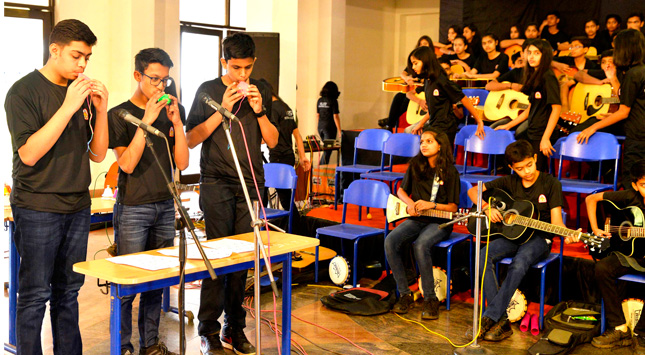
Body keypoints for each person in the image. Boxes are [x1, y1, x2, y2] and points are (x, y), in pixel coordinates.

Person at [5, 19, 109, 354]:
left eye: (87, 58)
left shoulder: (79, 91)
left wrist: (101, 110)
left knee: (69, 292)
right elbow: (30, 154)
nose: (83, 64)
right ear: (55, 50)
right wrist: (68, 107)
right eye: (77, 55)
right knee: (35, 294)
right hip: (37, 207)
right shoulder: (23, 92)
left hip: (77, 205)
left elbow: (97, 154)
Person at [185, 32, 279, 355]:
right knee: (216, 258)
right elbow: (191, 138)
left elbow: (274, 140)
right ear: (224, 61)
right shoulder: (207, 91)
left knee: (242, 260)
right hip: (216, 183)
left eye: (247, 68)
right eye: (236, 67)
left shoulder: (261, 88)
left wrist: (261, 110)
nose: (242, 75)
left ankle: (234, 327)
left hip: (250, 183)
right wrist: (221, 111)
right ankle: (208, 329)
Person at [108, 48, 188, 355]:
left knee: (158, 282)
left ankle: (150, 344)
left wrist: (177, 123)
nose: (161, 87)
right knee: (128, 283)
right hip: (133, 208)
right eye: (155, 79)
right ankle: (123, 346)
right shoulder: (120, 114)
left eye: (166, 80)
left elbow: (181, 161)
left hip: (165, 206)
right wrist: (147, 120)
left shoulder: (168, 115)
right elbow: (126, 165)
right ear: (138, 76)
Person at [467, 140, 574, 342]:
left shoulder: (551, 184)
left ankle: (490, 317)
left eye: (529, 165)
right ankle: (502, 320)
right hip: (511, 236)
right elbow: (473, 191)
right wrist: (486, 207)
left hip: (539, 239)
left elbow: (557, 222)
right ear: (511, 168)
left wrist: (568, 234)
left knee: (518, 264)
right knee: (482, 255)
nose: (527, 172)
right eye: (520, 169)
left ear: (535, 159)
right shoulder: (508, 182)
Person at [385, 128, 460, 320]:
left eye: (429, 141)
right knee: (390, 241)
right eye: (422, 142)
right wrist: (410, 204)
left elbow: (452, 208)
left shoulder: (450, 171)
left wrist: (432, 205)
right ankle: (404, 294)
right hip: (417, 219)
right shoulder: (416, 165)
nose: (424, 145)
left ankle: (430, 299)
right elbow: (401, 191)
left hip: (440, 221)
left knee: (421, 245)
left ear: (440, 145)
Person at [585, 161, 645, 354]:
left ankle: (641, 333)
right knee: (602, 268)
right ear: (635, 185)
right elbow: (590, 200)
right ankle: (619, 328)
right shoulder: (629, 196)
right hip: (628, 254)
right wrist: (595, 228)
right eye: (644, 185)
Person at [577, 29, 645, 185]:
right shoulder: (641, 71)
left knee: (633, 182)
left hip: (637, 137)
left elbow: (623, 112)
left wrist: (593, 127)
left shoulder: (633, 74)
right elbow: (631, 103)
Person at [493, 39, 561, 171]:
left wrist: (546, 138)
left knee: (537, 174)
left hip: (542, 133)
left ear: (545, 55)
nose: (531, 56)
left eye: (536, 53)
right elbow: (531, 109)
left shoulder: (548, 77)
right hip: (532, 131)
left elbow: (556, 108)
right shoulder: (535, 76)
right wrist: (509, 125)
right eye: (529, 52)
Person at [406, 46, 486, 146]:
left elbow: (463, 98)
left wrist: (479, 121)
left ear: (426, 61)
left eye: (415, 63)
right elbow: (433, 109)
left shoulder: (441, 80)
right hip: (434, 125)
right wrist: (420, 124)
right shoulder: (427, 81)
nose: (413, 67)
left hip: (445, 128)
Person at [261, 78, 311, 214]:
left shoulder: (273, 109)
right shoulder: (285, 107)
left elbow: (268, 139)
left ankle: (295, 227)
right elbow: (298, 136)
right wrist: (302, 156)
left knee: (284, 197)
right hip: (288, 156)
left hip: (278, 156)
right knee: (273, 192)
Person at [386, 35, 433, 131]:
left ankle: (391, 120)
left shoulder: (432, 63)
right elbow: (403, 73)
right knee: (399, 96)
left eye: (425, 44)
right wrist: (408, 78)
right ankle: (389, 124)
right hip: (415, 90)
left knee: (405, 101)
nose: (422, 46)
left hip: (424, 92)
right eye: (420, 44)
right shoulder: (415, 62)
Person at [316, 81, 341, 165]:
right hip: (329, 127)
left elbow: (317, 115)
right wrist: (340, 131)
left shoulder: (319, 100)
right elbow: (335, 117)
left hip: (320, 127)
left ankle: (321, 168)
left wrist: (317, 128)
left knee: (326, 149)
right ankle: (321, 169)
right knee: (328, 151)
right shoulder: (333, 101)